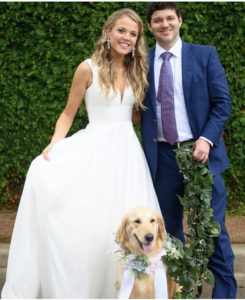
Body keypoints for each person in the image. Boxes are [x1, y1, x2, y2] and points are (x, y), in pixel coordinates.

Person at [1, 8, 161, 299]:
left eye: (133, 34)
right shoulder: (88, 68)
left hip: (127, 155)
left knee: (127, 220)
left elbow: (136, 117)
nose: (127, 37)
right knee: (90, 225)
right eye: (121, 31)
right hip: (94, 151)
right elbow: (67, 114)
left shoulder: (139, 71)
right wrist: (52, 146)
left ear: (138, 40)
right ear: (108, 32)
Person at [141, 2, 237, 299]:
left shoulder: (204, 54)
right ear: (150, 26)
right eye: (158, 20)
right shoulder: (140, 61)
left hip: (201, 154)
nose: (165, 24)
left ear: (180, 21)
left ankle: (223, 294)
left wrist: (206, 139)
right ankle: (179, 293)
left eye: (170, 18)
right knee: (168, 234)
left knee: (213, 230)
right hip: (162, 159)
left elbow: (222, 104)